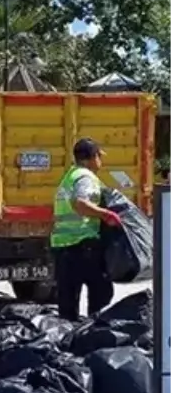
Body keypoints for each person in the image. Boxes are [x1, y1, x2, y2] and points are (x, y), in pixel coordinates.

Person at [51, 137, 119, 320]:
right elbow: (80, 203)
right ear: (92, 157)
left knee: (67, 304)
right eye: (99, 156)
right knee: (101, 294)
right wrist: (106, 215)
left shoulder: (70, 176)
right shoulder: (85, 177)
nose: (101, 161)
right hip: (83, 245)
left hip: (64, 247)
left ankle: (67, 341)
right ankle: (94, 335)